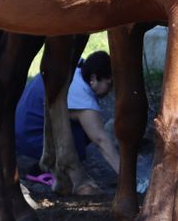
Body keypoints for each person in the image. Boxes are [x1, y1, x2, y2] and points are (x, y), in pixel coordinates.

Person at [14, 50, 118, 191]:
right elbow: (100, 140)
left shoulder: (73, 66)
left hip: (20, 128)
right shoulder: (82, 97)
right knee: (86, 132)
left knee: (84, 129)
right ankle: (48, 169)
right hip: (31, 137)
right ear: (94, 78)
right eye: (108, 84)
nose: (110, 90)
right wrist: (127, 176)